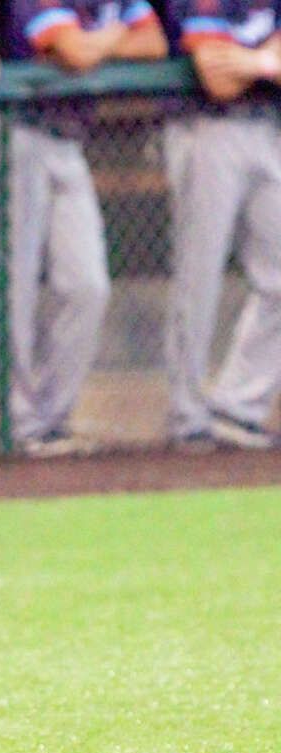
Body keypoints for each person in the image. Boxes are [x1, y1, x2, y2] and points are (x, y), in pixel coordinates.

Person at [0, 0, 166, 456]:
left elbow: (155, 43)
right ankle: (19, 424)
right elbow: (75, 54)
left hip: (68, 143)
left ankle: (51, 420)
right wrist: (114, 38)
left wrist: (97, 44)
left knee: (87, 286)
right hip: (17, 134)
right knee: (15, 289)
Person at [164, 0, 281, 451]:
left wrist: (254, 62)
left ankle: (239, 406)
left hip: (265, 129)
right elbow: (219, 81)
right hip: (207, 131)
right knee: (199, 279)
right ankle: (187, 415)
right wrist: (268, 60)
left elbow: (241, 69)